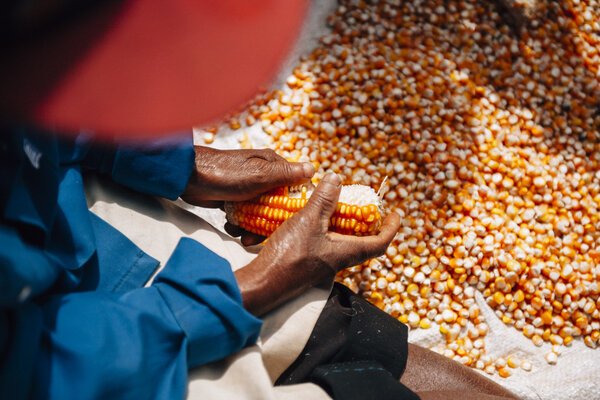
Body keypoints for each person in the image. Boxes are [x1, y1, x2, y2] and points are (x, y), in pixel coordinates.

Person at [0, 1, 520, 399]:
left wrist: (172, 162)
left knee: (351, 336)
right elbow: (36, 367)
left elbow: (39, 92)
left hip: (54, 220)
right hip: (59, 367)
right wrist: (254, 285)